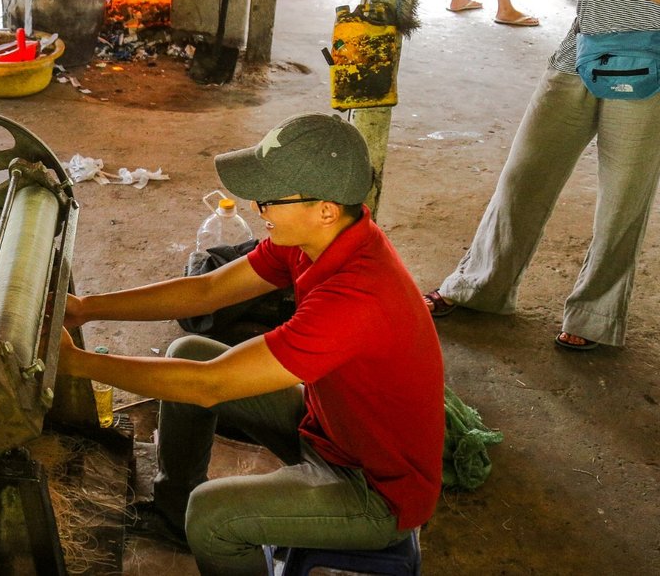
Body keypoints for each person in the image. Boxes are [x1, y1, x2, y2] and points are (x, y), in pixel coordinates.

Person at [60, 113, 444, 573]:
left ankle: (195, 523)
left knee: (213, 514)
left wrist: (77, 363)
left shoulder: (358, 297)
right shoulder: (315, 238)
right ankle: (171, 513)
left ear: (324, 208)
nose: (257, 210)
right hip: (328, 428)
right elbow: (206, 291)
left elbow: (212, 386)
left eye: (268, 199)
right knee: (188, 352)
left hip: (376, 489)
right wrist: (86, 307)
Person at [424, 0, 660, 351]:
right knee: (524, 175)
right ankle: (481, 285)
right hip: (576, 52)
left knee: (623, 202)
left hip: (648, 67)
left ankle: (594, 320)